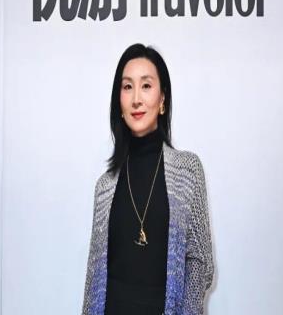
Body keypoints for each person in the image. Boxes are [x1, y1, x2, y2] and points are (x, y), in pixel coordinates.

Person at [82, 43, 214, 315]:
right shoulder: (104, 186)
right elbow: (94, 277)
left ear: (162, 98)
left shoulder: (188, 170)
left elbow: (201, 262)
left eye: (146, 86)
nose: (136, 99)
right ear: (118, 102)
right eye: (127, 87)